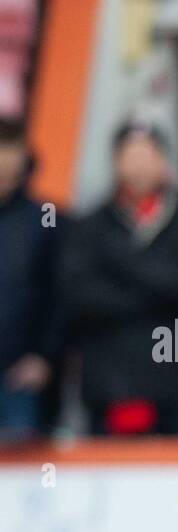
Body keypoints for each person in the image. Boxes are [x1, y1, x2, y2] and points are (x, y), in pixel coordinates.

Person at [62, 122, 178, 434]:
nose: (138, 165)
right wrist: (161, 292)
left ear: (163, 162)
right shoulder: (89, 226)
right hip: (112, 385)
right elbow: (79, 296)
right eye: (129, 155)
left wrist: (124, 264)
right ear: (115, 162)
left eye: (147, 155)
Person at [0, 120, 59, 441]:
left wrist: (44, 357)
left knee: (14, 481)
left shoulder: (44, 221)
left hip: (18, 379)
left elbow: (58, 296)